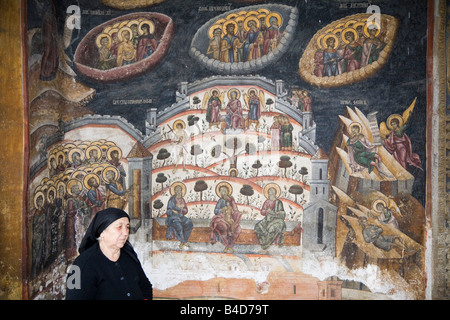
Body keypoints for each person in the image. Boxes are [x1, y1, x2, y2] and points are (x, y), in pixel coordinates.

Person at [65, 208, 153, 300]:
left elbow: (145, 286)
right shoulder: (81, 265)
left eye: (127, 227)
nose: (126, 232)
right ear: (102, 232)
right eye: (119, 227)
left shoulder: (129, 255)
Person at [210, 183, 242, 253]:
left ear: (227, 191)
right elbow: (216, 210)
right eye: (221, 191)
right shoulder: (220, 201)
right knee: (223, 227)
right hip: (221, 218)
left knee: (235, 228)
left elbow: (235, 209)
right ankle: (227, 246)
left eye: (223, 191)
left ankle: (228, 246)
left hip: (230, 217)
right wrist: (221, 210)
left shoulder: (231, 200)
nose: (222, 193)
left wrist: (237, 213)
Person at [255, 184, 286, 253]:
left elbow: (282, 213)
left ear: (274, 193)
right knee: (258, 227)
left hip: (276, 220)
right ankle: (263, 245)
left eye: (271, 193)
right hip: (267, 220)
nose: (270, 194)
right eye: (269, 193)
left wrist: (277, 213)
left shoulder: (278, 202)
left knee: (271, 229)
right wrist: (266, 211)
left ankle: (265, 247)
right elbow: (262, 211)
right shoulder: (267, 202)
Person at [166, 182, 193, 249]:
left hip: (181, 217)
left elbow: (186, 211)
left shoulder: (182, 199)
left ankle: (183, 241)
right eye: (177, 190)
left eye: (180, 190)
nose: (179, 191)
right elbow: (168, 211)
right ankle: (184, 241)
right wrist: (173, 210)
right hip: (173, 218)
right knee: (179, 227)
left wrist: (182, 208)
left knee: (189, 223)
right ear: (174, 191)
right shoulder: (172, 200)